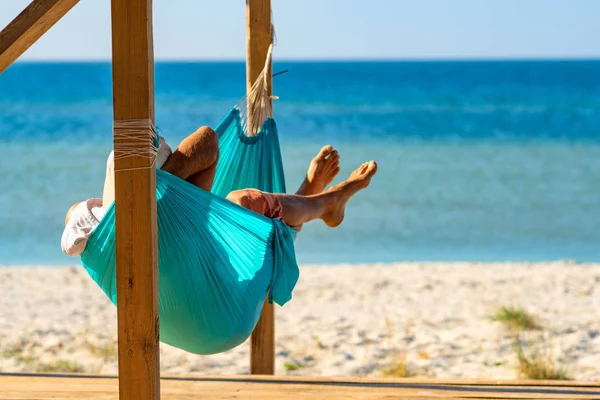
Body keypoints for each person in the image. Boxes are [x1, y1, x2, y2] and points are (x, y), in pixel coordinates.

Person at [61, 126, 377, 256]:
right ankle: (324, 202)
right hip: (199, 250)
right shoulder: (113, 230)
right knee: (243, 200)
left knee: (237, 196)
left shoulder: (102, 227)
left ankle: (309, 197)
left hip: (185, 222)